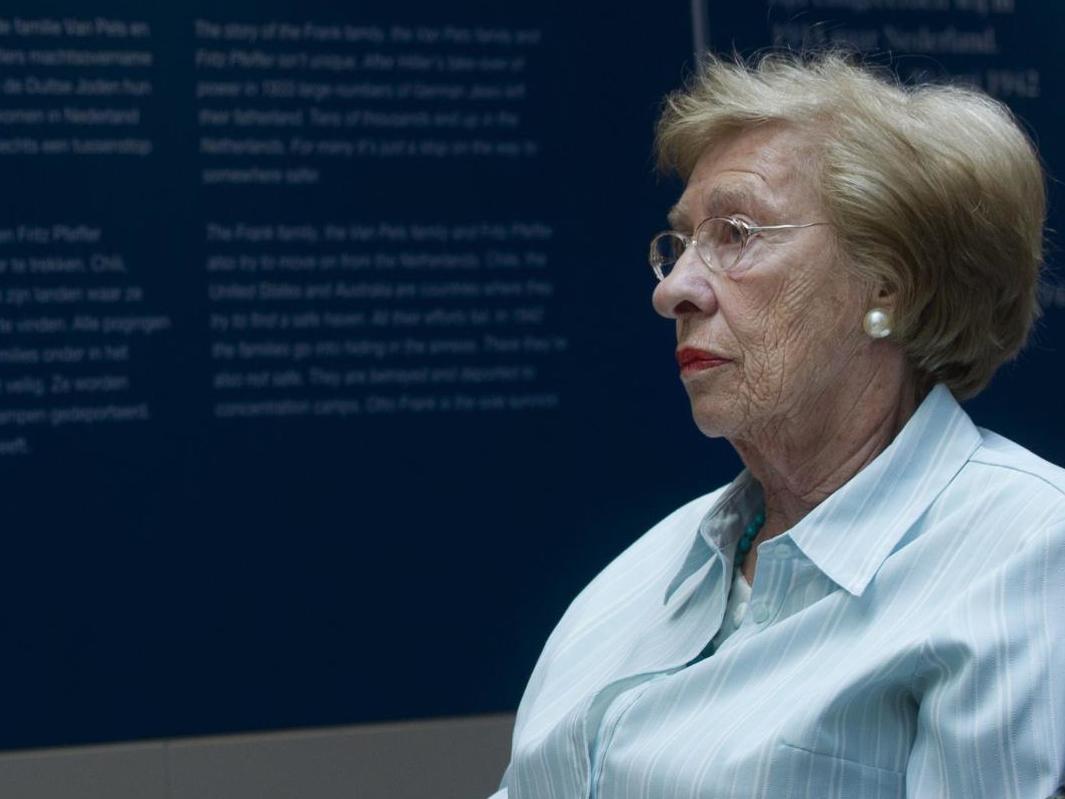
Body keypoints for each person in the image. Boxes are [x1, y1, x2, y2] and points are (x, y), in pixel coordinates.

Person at [488, 52, 1065, 798]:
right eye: (680, 243)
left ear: (888, 282)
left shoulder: (1026, 554)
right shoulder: (645, 571)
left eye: (735, 233)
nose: (674, 290)